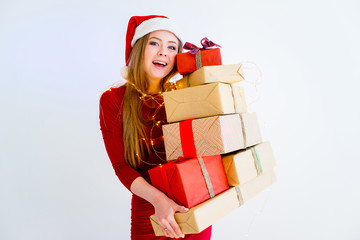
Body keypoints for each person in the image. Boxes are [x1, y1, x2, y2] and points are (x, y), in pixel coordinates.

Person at [99, 15, 212, 240]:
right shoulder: (113, 100)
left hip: (194, 207)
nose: (163, 52)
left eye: (171, 47)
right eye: (154, 43)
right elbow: (121, 166)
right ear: (139, 48)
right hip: (150, 210)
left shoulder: (185, 96)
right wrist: (159, 200)